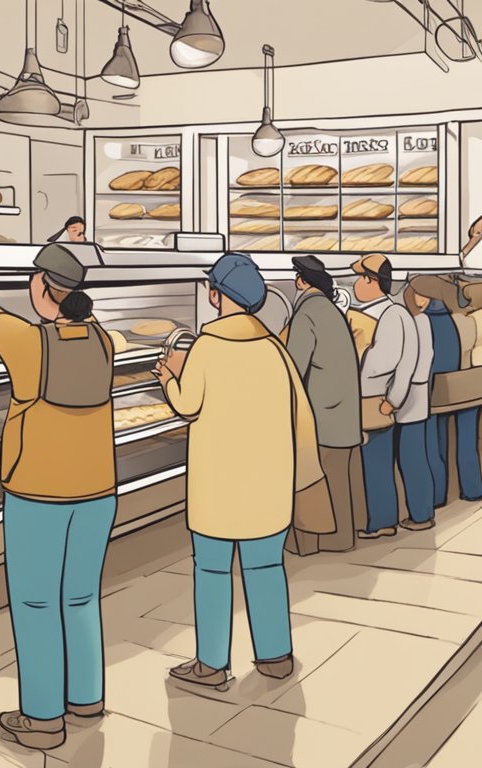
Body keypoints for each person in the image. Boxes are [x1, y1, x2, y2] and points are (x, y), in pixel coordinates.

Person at [0, 243, 117, 751]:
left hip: (39, 491)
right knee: (79, 597)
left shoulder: (28, 342)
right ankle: (85, 698)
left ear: (40, 287)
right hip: (98, 490)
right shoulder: (103, 340)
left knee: (35, 602)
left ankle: (40, 717)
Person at [156, 253, 322, 689]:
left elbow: (188, 404)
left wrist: (170, 376)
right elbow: (297, 412)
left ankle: (211, 664)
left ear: (215, 295)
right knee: (266, 568)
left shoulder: (207, 348)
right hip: (268, 485)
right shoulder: (273, 349)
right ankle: (275, 656)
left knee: (212, 571)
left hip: (218, 486)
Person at [284, 255, 366, 553]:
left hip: (321, 415)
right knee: (339, 479)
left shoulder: (306, 313)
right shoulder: (332, 311)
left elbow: (294, 366)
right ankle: (341, 539)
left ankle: (309, 544)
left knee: (313, 481)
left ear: (302, 281)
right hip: (344, 412)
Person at [355, 254, 435, 537]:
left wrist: (393, 400)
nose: (355, 284)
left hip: (387, 402)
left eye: (359, 278)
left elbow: (391, 361)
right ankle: (405, 517)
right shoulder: (395, 313)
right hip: (395, 401)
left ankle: (387, 521)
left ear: (371, 280)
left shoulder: (390, 315)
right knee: (400, 460)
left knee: (382, 461)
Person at [412, 275, 482, 505]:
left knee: (435, 446)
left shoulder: (425, 322)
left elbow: (430, 362)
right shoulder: (466, 320)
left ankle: (438, 495)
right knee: (467, 444)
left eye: (417, 292)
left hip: (437, 391)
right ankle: (472, 489)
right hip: (469, 387)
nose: (413, 297)